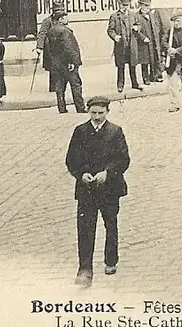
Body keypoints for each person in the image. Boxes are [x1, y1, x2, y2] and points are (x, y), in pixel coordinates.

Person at [65, 95, 131, 287]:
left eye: (101, 113)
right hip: (86, 190)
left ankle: (111, 260)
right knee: (85, 228)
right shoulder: (80, 132)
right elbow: (71, 159)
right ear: (88, 112)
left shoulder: (115, 132)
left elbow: (124, 159)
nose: (97, 117)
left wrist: (108, 173)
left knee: (111, 224)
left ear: (107, 112)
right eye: (93, 113)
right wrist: (81, 174)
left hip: (110, 189)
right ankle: (85, 269)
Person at [44, 13, 86, 114]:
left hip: (57, 64)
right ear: (61, 19)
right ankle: (80, 107)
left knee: (60, 87)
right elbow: (69, 48)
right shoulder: (65, 31)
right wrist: (72, 61)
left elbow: (48, 49)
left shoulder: (50, 31)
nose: (67, 19)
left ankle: (61, 108)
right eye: (66, 17)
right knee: (76, 84)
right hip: (68, 64)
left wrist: (52, 63)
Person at [107, 0, 144, 93]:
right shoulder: (114, 16)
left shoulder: (133, 15)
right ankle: (120, 85)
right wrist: (115, 37)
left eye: (127, 5)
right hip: (121, 45)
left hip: (131, 44)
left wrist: (137, 28)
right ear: (119, 4)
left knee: (133, 65)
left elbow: (138, 25)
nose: (125, 7)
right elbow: (110, 30)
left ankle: (135, 83)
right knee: (121, 66)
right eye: (124, 5)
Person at [136, 0, 163, 83]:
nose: (147, 7)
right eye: (146, 5)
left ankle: (154, 75)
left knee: (155, 58)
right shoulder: (137, 16)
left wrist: (156, 34)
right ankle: (145, 78)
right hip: (144, 41)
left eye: (148, 5)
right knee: (145, 60)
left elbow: (156, 26)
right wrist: (143, 38)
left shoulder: (152, 14)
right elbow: (135, 30)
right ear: (141, 5)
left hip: (153, 39)